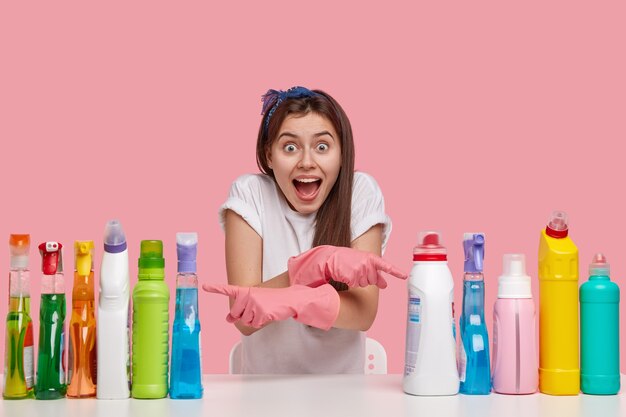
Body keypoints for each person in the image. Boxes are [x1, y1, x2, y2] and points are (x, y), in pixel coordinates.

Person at [203, 87, 406, 373]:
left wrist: (299, 298)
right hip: (263, 397)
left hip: (342, 397)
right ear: (268, 155)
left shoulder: (359, 193)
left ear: (342, 154)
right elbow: (244, 318)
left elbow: (363, 313)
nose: (307, 162)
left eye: (322, 147)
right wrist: (300, 274)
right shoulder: (251, 195)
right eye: (290, 147)